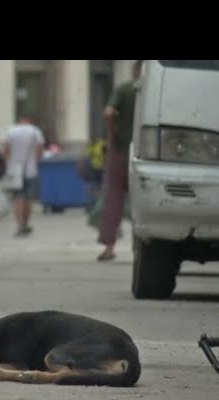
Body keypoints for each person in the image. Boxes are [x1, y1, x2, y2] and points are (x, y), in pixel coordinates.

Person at [97, 60, 143, 262]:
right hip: (144, 153)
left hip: (120, 152)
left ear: (134, 70)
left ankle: (109, 247)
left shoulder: (124, 89)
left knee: (114, 200)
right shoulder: (149, 91)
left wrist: (113, 132)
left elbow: (108, 113)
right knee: (141, 202)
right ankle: (139, 247)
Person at [3, 116, 44, 237]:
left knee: (18, 198)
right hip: (31, 169)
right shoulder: (36, 131)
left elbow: (6, 151)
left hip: (15, 170)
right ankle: (26, 224)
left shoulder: (11, 131)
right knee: (28, 198)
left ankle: (20, 225)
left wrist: (9, 165)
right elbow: (40, 152)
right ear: (28, 120)